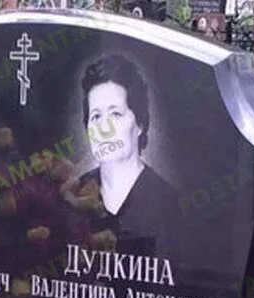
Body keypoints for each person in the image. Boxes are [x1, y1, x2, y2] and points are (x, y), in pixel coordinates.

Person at [74, 54, 183, 261]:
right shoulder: (73, 198)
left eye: (115, 114)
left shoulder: (171, 205)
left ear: (140, 123)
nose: (104, 129)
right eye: (96, 117)